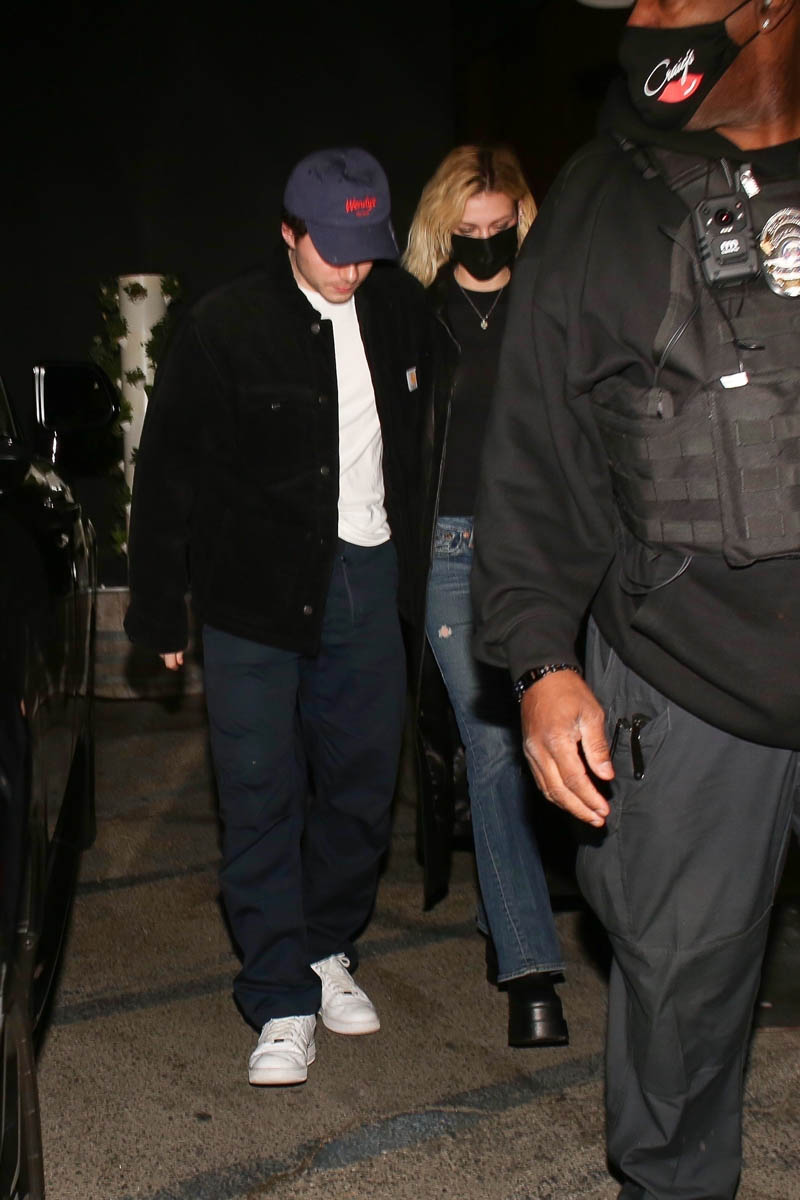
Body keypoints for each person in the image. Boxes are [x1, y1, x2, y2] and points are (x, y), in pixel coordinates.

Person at [471, 1, 800, 1196]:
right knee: (678, 996)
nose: (649, 20)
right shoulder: (603, 201)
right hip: (686, 674)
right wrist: (539, 659)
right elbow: (533, 448)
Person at [124, 147, 433, 1087]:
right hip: (251, 594)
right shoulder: (227, 326)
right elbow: (166, 473)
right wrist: (158, 611)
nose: (350, 269)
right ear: (289, 232)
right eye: (331, 248)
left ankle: (324, 945)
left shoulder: (398, 308)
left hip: (368, 577)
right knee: (259, 793)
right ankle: (278, 996)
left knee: (362, 788)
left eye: (365, 250)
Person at [403, 146, 568, 1048]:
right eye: (467, 229)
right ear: (443, 228)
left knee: (555, 744)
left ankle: (508, 908)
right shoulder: (418, 318)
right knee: (497, 747)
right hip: (452, 551)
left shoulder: (549, 306)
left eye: (499, 227)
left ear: (521, 221)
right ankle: (531, 970)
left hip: (543, 551)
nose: (484, 242)